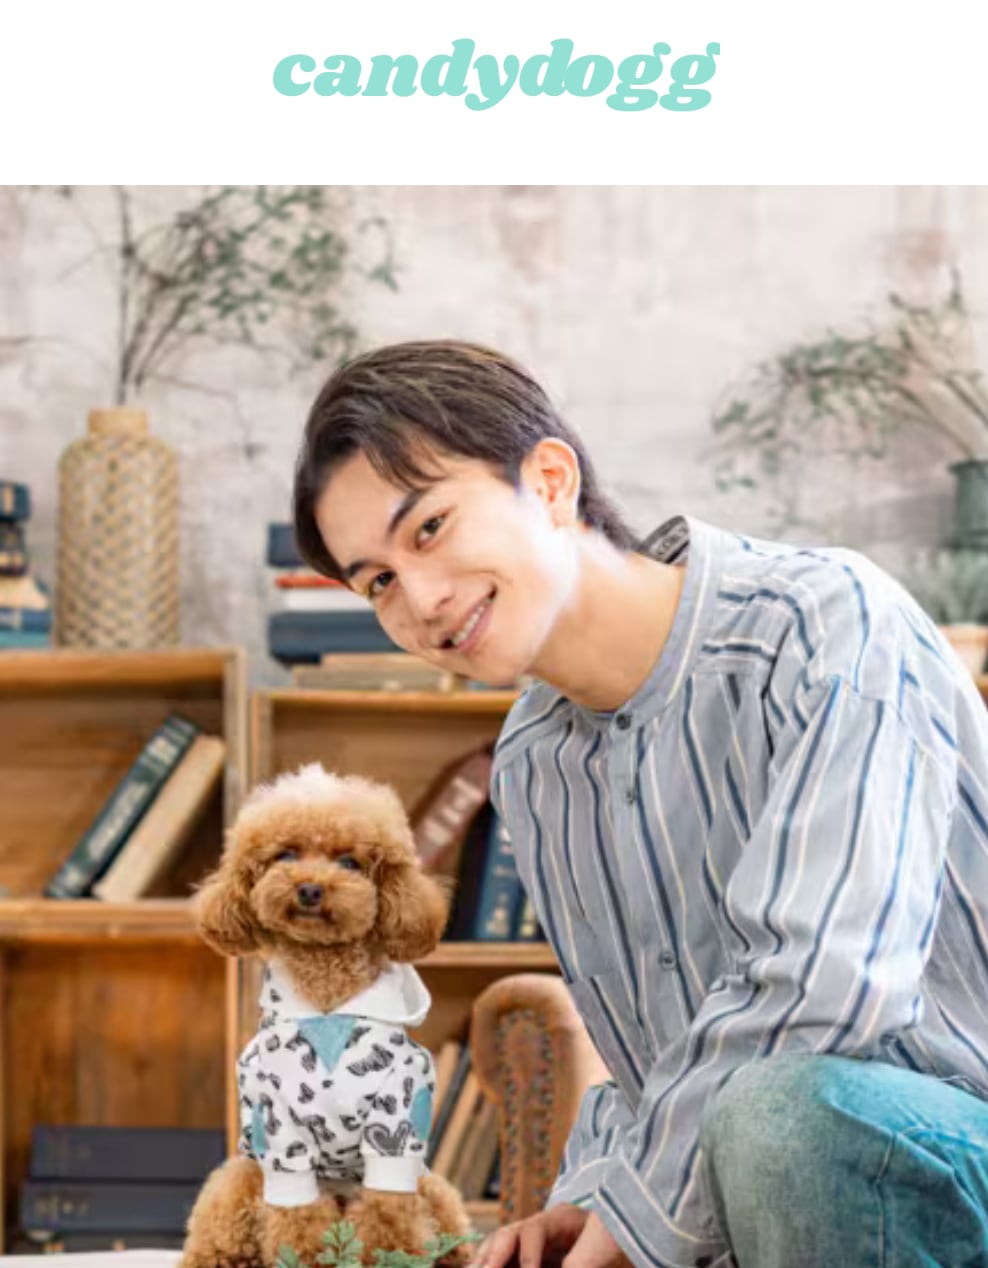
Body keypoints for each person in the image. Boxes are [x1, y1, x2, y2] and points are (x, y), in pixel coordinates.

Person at [292, 339, 988, 1268]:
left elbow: (825, 987)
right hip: (775, 1201)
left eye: (430, 529)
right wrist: (584, 1202)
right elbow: (654, 1062)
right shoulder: (534, 763)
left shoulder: (825, 623)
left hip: (951, 1153)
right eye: (376, 581)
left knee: (781, 1116)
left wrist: (631, 1222)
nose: (419, 600)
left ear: (549, 482)